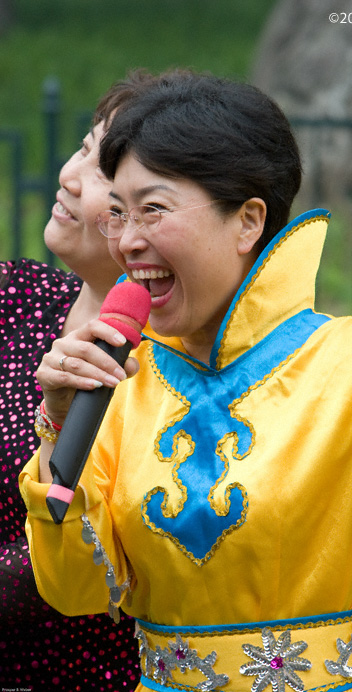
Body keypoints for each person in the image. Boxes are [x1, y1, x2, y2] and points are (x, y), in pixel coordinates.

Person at [19, 69, 352, 692]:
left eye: (153, 209)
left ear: (248, 220)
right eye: (118, 213)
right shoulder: (123, 381)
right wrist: (61, 427)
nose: (128, 241)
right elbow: (76, 593)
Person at [0, 71, 158, 689]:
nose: (68, 176)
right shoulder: (17, 295)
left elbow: (91, 557)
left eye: (102, 176)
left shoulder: (171, 366)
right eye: (85, 150)